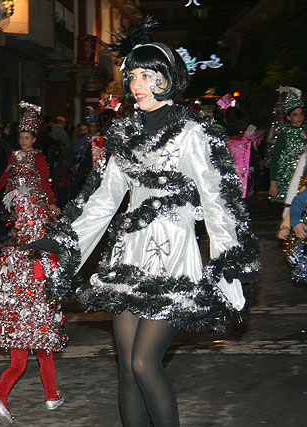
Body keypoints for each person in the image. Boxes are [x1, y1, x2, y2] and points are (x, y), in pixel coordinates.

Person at [28, 17, 260, 427]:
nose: (138, 84)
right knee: (125, 366)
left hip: (173, 255)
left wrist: (229, 257)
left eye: (148, 75)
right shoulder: (123, 133)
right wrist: (65, 239)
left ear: (168, 80)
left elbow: (217, 199)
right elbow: (104, 199)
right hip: (128, 254)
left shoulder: (193, 132)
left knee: (143, 362)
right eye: (133, 76)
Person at [0, 189, 65, 425]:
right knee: (45, 354)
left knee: (17, 364)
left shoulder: (9, 251)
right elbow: (54, 280)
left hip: (14, 317)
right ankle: (51, 397)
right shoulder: (45, 252)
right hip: (38, 317)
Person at [0, 102, 61, 217]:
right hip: (18, 202)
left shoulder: (38, 157)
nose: (23, 141)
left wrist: (52, 203)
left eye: (27, 138)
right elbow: (5, 176)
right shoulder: (14, 156)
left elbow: (45, 181)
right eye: (21, 138)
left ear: (34, 139)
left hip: (35, 202)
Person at [268, 91, 306, 202]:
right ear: (288, 117)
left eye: (301, 114)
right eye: (295, 115)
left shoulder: (305, 132)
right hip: (288, 180)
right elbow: (275, 158)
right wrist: (273, 182)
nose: (299, 117)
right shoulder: (285, 134)